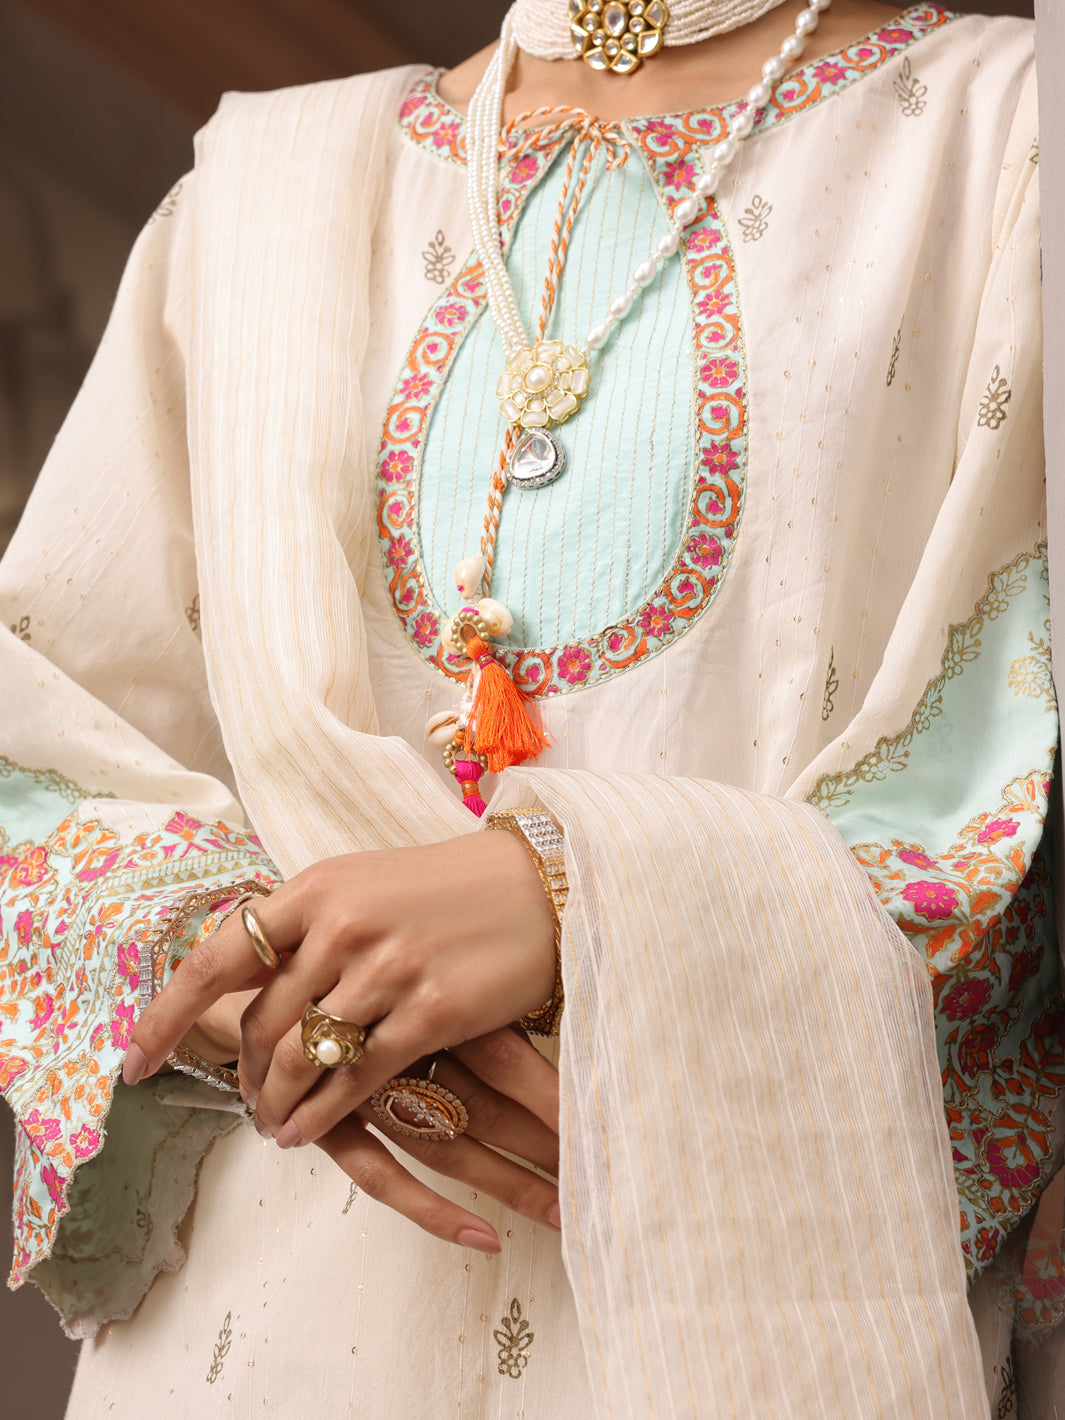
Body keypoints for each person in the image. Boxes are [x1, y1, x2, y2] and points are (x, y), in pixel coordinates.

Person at [1, 0, 1060, 1413]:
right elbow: (43, 747)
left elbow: (1007, 770)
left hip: (754, 1298)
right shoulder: (258, 196)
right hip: (260, 1318)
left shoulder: (1010, 136)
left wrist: (577, 899)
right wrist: (261, 979)